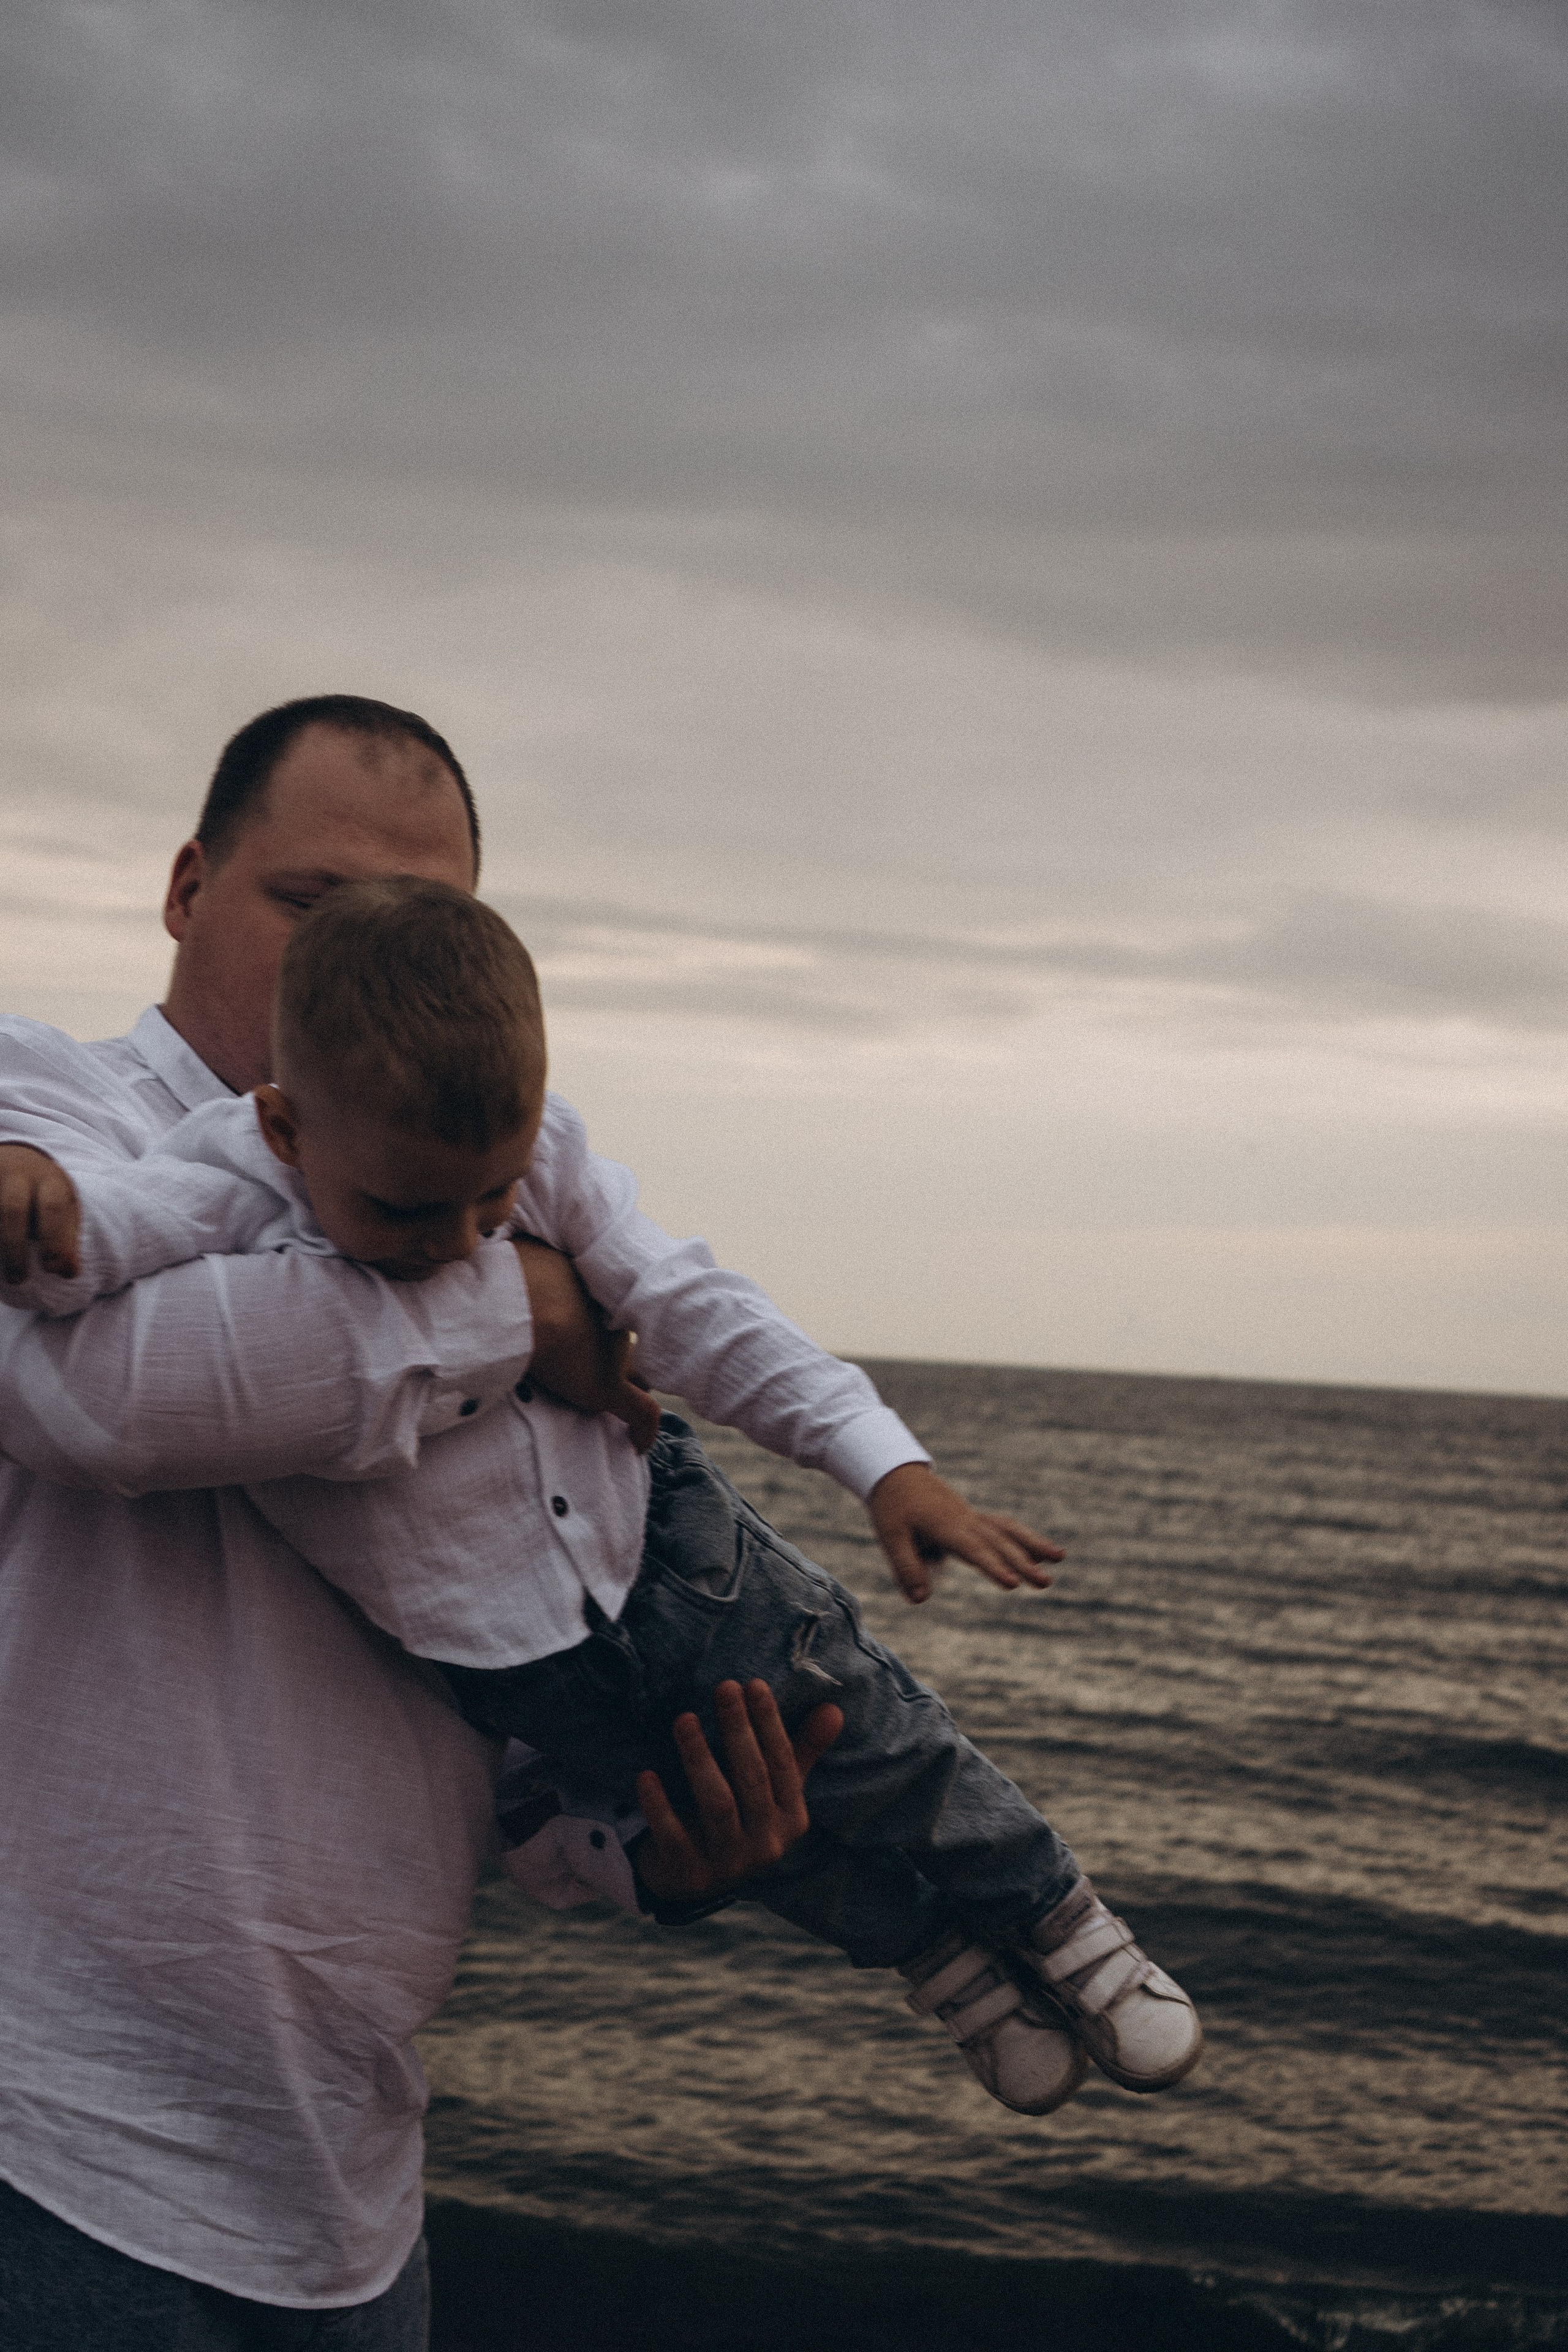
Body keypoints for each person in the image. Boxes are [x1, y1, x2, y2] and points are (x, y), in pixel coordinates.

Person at [4, 869, 1204, 2127]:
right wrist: (28, 1178)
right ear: (289, 1128)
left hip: (667, 1553)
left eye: (492, 1198)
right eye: (408, 1211)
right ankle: (952, 1975)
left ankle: (1068, 1927)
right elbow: (101, 1253)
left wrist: (880, 1458)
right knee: (758, 1831)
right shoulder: (233, 1173)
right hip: (498, 1656)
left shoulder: (541, 1155)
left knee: (870, 1740)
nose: (461, 1244)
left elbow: (688, 1304)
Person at [0, 698, 844, 2352]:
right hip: (51, 2156)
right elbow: (104, 1397)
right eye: (310, 903)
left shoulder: (481, 1202)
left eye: (426, 922)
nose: (361, 954)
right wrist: (521, 1314)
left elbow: (507, 1711)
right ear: (186, 888)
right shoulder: (49, 1113)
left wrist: (646, 1852)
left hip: (357, 2216)